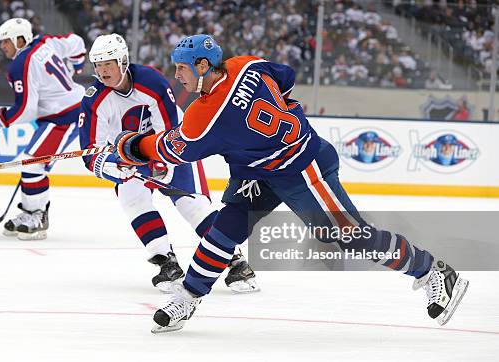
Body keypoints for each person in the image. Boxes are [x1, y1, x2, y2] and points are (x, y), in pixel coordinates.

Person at [113, 34, 469, 332]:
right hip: (259, 169)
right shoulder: (247, 64)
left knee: (351, 237)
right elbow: (287, 76)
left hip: (303, 167)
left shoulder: (206, 114)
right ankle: (188, 299)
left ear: (203, 66)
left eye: (182, 69)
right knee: (224, 230)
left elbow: (174, 150)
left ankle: (433, 270)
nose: (177, 76)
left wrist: (127, 146)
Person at [79, 33, 258, 293]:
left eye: (109, 64)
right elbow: (91, 152)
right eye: (98, 65)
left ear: (124, 61)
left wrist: (164, 164)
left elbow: (171, 129)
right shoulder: (94, 99)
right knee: (133, 200)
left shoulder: (150, 81)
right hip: (128, 154)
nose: (102, 71)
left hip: (174, 144)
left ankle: (235, 260)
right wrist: (111, 167)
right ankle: (166, 263)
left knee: (191, 204)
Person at [0, 18, 86, 240]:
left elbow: (26, 110)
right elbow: (76, 42)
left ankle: (37, 215)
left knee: (32, 164)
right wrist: (77, 64)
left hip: (65, 117)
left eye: (6, 41)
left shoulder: (20, 64)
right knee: (33, 164)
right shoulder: (46, 42)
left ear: (20, 39)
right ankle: (30, 212)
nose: (2, 46)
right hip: (64, 113)